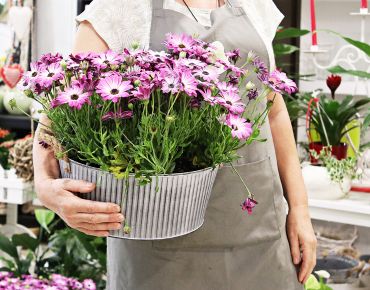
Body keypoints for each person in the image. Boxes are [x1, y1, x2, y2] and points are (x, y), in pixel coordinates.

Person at [33, 0, 317, 289]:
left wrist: (300, 208)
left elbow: (274, 109)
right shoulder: (121, 7)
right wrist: (45, 187)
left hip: (260, 236)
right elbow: (56, 118)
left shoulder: (254, 4)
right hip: (159, 246)